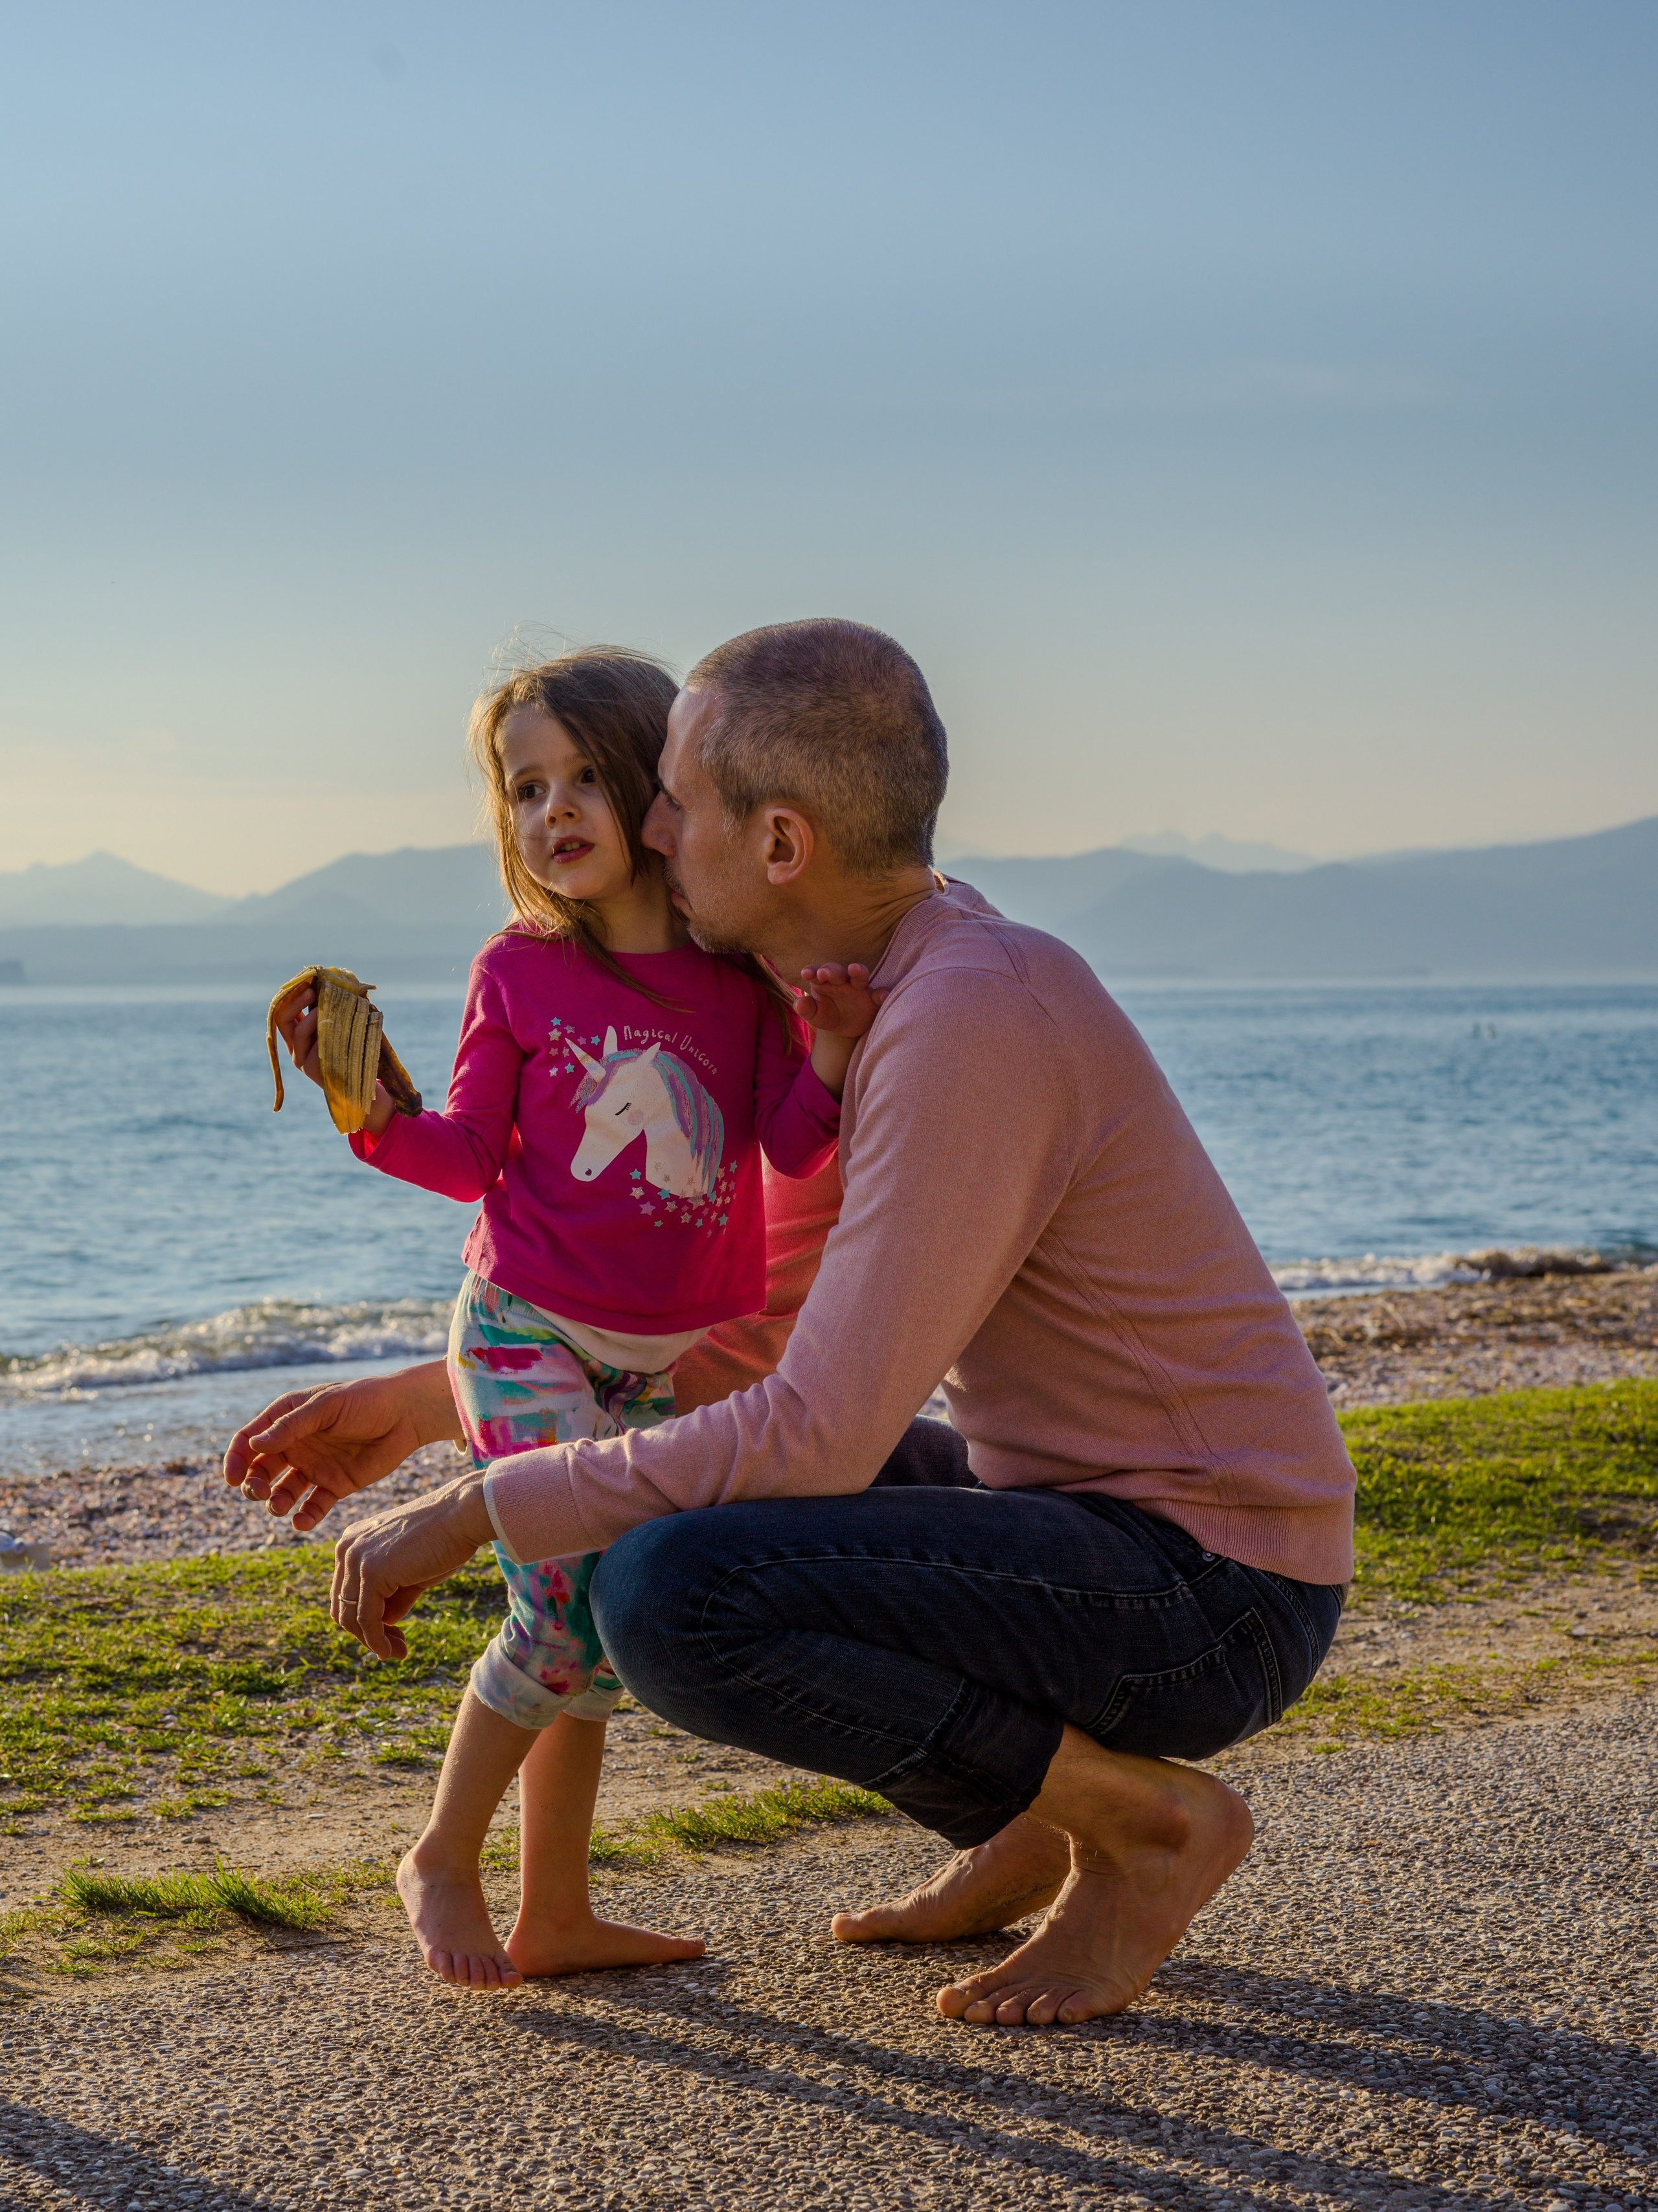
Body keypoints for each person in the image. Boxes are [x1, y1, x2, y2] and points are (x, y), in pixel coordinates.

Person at [232, 617, 1356, 2029]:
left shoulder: (963, 1022)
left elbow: (812, 1430)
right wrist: (429, 1397)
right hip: (1102, 1530)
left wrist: (474, 1510)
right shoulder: (888, 993)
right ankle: (1032, 1820)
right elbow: (757, 1333)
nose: (643, 822)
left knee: (670, 1594)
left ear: (777, 845)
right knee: (691, 1491)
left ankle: (1139, 1825)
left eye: (670, 798)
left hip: (1207, 1590)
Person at [264, 644, 881, 1991]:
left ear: (662, 791)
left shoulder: (735, 980)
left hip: (647, 1356)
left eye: (584, 775)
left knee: (590, 1631)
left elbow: (781, 1149)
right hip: (520, 1331)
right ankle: (438, 1854)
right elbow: (467, 1153)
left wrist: (829, 1046)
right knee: (556, 1619)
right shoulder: (519, 970)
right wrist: (366, 1111)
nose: (554, 810)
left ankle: (554, 1910)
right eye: (524, 786)